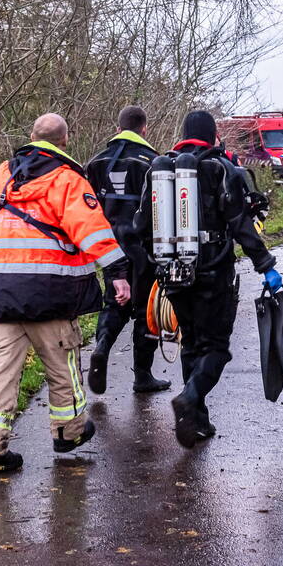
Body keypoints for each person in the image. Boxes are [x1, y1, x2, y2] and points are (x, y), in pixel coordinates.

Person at [0, 113, 132, 475]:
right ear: (64, 141)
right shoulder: (67, 179)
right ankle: (68, 433)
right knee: (62, 363)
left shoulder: (4, 175)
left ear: (32, 135)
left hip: (0, 294)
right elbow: (92, 230)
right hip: (51, 293)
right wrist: (117, 273)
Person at [136, 110, 281, 448]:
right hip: (213, 272)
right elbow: (241, 226)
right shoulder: (222, 168)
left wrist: (156, 261)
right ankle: (191, 398)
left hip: (172, 272)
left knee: (191, 342)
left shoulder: (160, 170)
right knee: (215, 347)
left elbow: (141, 226)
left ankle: (196, 421)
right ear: (214, 135)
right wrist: (266, 265)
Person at [84, 106, 170, 395]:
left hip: (109, 247)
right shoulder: (153, 163)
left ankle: (102, 347)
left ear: (118, 127)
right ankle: (142, 375)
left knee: (114, 301)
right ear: (144, 129)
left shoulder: (96, 162)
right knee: (147, 309)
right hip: (143, 247)